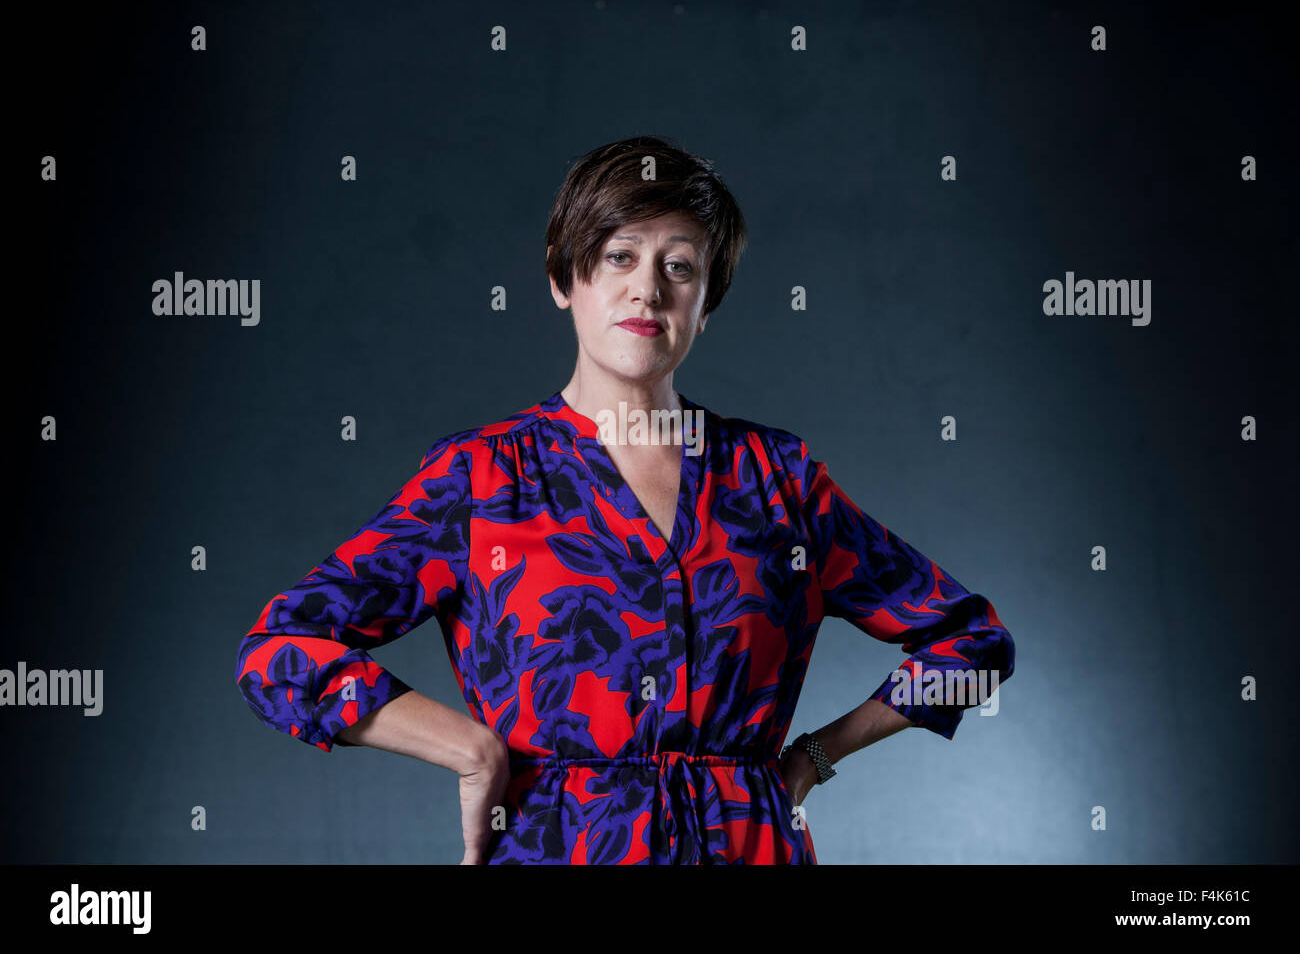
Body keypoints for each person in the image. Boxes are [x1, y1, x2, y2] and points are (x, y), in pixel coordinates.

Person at [234, 135, 1016, 864]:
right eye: (619, 256)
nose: (647, 288)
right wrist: (469, 749)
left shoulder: (776, 478)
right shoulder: (479, 480)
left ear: (705, 304)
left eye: (680, 267)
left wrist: (814, 759)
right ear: (562, 277)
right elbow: (279, 651)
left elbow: (971, 646)